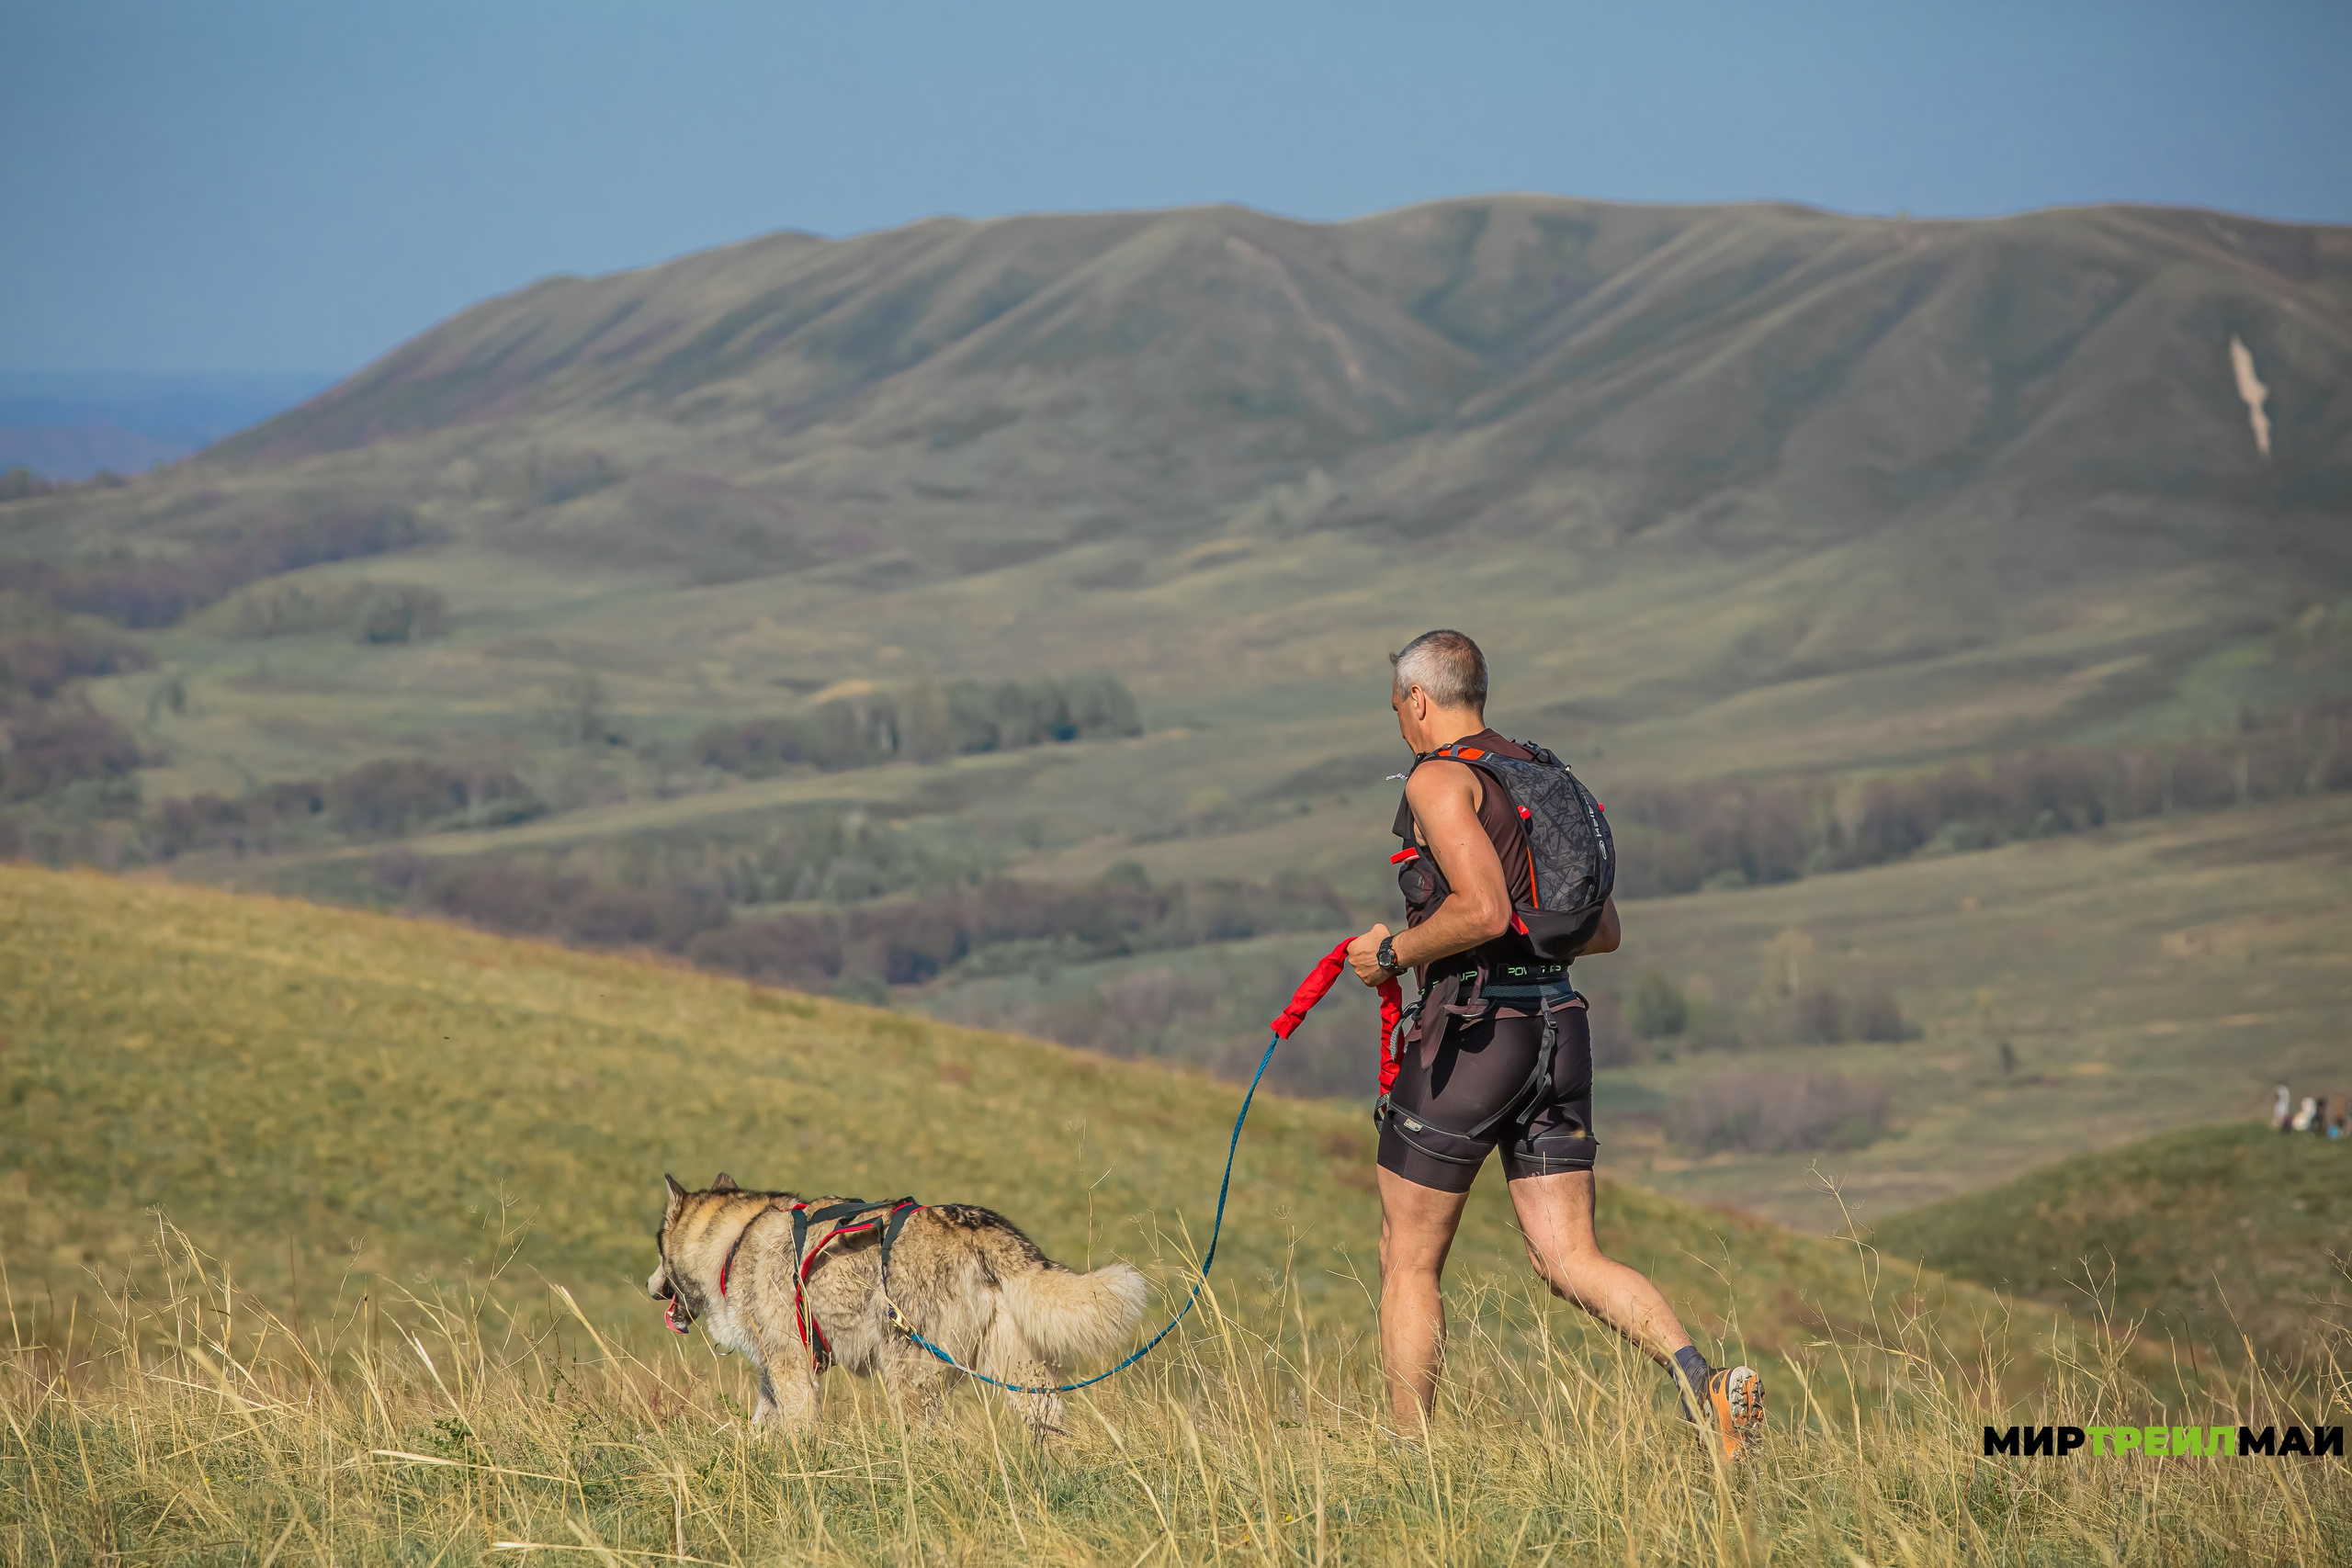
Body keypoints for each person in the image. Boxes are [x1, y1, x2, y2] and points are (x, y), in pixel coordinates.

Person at [1344, 629, 1764, 1457]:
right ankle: (1703, 1382)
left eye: (1397, 707)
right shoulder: (1539, 775)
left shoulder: (1441, 778)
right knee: (1569, 1255)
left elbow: (1484, 911)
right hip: (1558, 1027)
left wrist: (1391, 952)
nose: (1399, 722)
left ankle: (1409, 1461)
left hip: (1472, 1037)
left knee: (1408, 1258)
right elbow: (1601, 930)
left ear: (1418, 700)